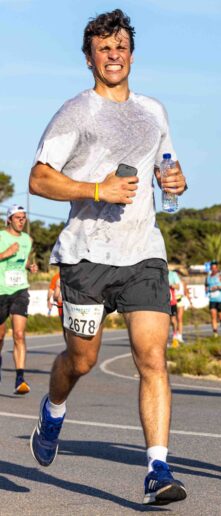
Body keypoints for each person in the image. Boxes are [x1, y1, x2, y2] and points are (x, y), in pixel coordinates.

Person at [28, 9, 187, 506]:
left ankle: (157, 468)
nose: (113, 55)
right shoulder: (76, 112)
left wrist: (176, 181)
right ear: (89, 58)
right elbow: (39, 178)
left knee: (152, 358)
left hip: (143, 252)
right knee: (82, 360)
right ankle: (53, 409)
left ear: (132, 55)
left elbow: (167, 167)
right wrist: (97, 189)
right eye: (103, 48)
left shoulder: (153, 111)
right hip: (86, 255)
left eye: (120, 47)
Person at [0, 205, 38, 393]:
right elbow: (6, 257)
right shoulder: (1, 237)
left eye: (24, 218)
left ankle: (20, 379)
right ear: (9, 219)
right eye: (18, 218)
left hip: (20, 290)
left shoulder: (27, 240)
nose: (22, 221)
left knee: (19, 334)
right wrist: (5, 254)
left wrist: (29, 266)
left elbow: (22, 260)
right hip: (1, 291)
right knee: (0, 336)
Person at [205, 260, 221, 337]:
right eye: (212, 268)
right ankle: (215, 333)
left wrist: (218, 287)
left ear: (217, 268)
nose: (214, 269)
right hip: (212, 299)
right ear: (210, 268)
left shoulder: (220, 276)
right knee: (213, 316)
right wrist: (208, 290)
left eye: (215, 268)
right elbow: (206, 286)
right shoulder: (208, 277)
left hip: (220, 299)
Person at [168, 267, 191, 344]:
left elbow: (186, 292)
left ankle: (179, 336)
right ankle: (175, 333)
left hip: (180, 300)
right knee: (173, 320)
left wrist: (190, 301)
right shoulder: (170, 280)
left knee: (179, 318)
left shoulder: (182, 282)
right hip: (172, 300)